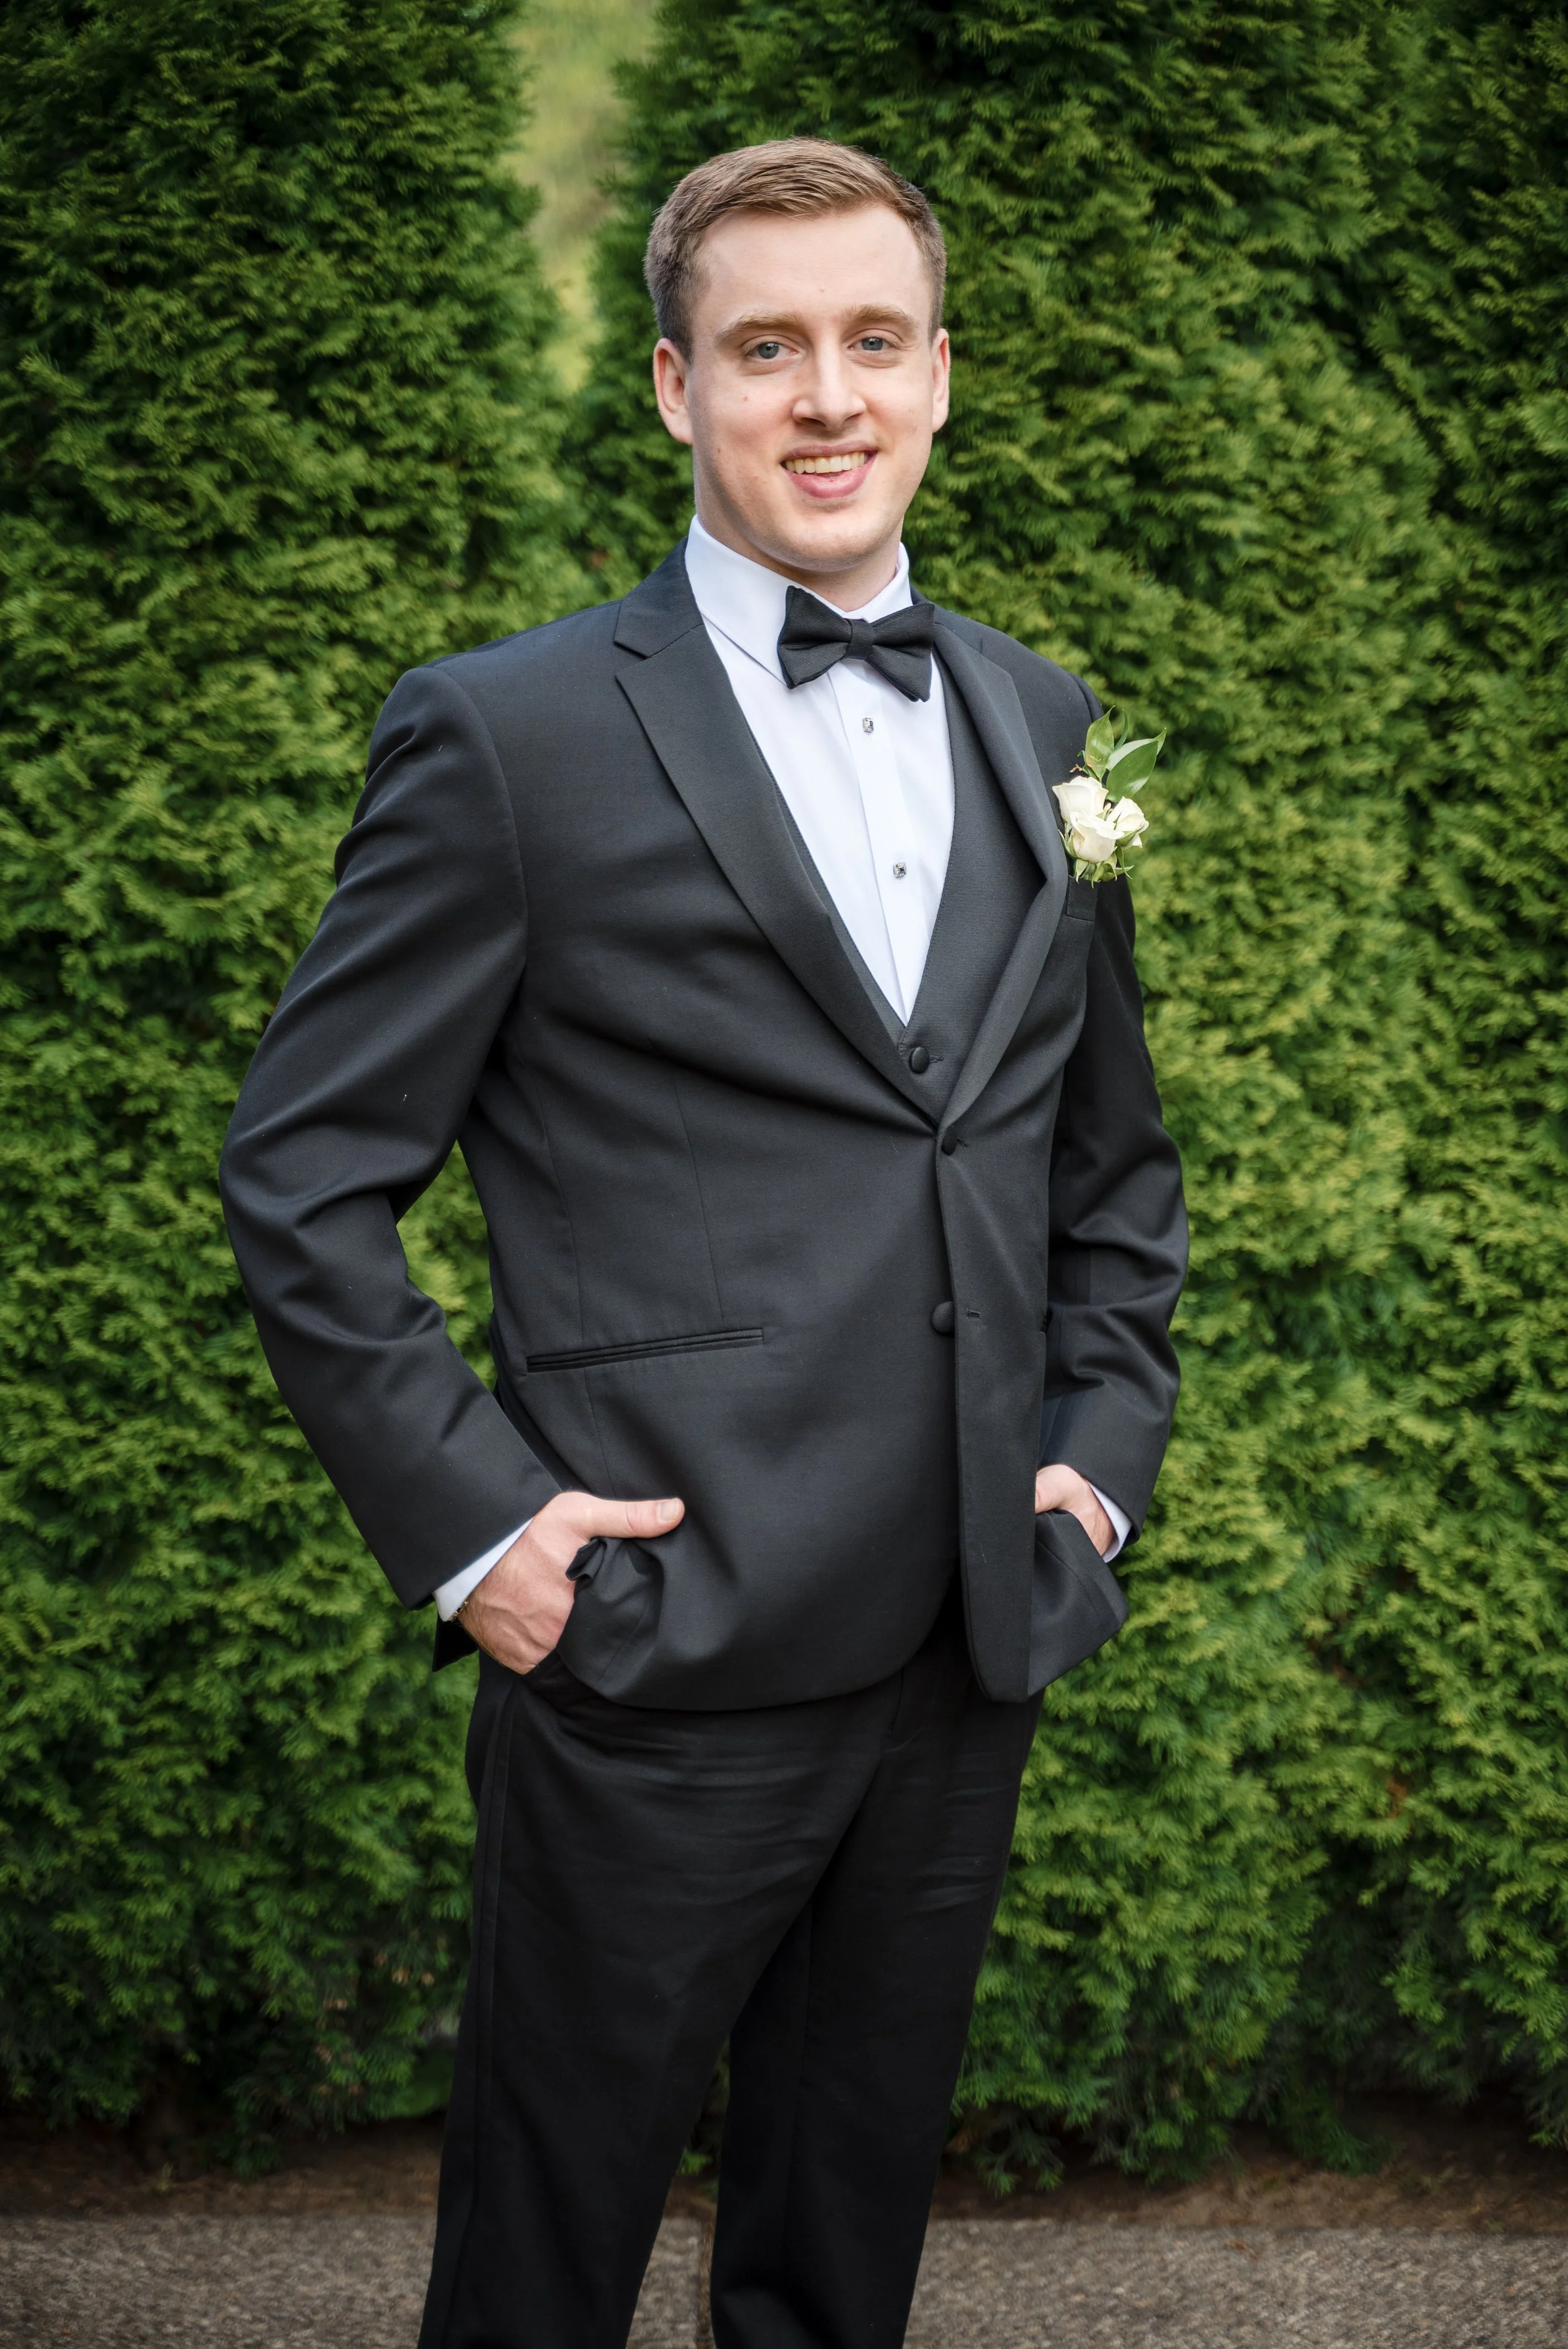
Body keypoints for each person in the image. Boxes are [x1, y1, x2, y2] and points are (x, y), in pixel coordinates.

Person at [221, 135, 1186, 2349]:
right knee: (542, 2272)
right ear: (674, 386)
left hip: (966, 1639)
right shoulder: (512, 733)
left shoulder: (1039, 720)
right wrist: (489, 1542)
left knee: (839, 2267)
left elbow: (1101, 1165)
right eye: (766, 349)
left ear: (940, 376)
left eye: (870, 341)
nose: (823, 396)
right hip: (656, 1646)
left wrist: (1095, 1467)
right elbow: (301, 1169)